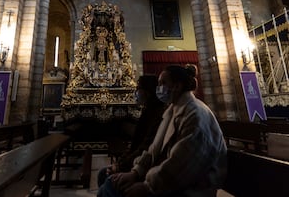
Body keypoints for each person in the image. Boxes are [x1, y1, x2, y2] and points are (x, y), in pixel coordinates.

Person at [97, 65, 227, 197]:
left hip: (193, 188)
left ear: (176, 86)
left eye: (163, 83)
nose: (159, 88)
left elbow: (180, 166)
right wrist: (135, 173)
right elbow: (154, 149)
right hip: (174, 180)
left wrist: (146, 186)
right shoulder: (173, 109)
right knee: (111, 182)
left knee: (110, 188)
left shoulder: (195, 115)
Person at [97, 75, 166, 187]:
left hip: (144, 166)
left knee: (105, 178)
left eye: (138, 88)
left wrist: (121, 166)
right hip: (136, 161)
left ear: (147, 92)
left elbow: (144, 147)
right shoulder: (148, 111)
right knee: (103, 173)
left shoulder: (157, 115)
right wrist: (120, 163)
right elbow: (135, 144)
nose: (136, 92)